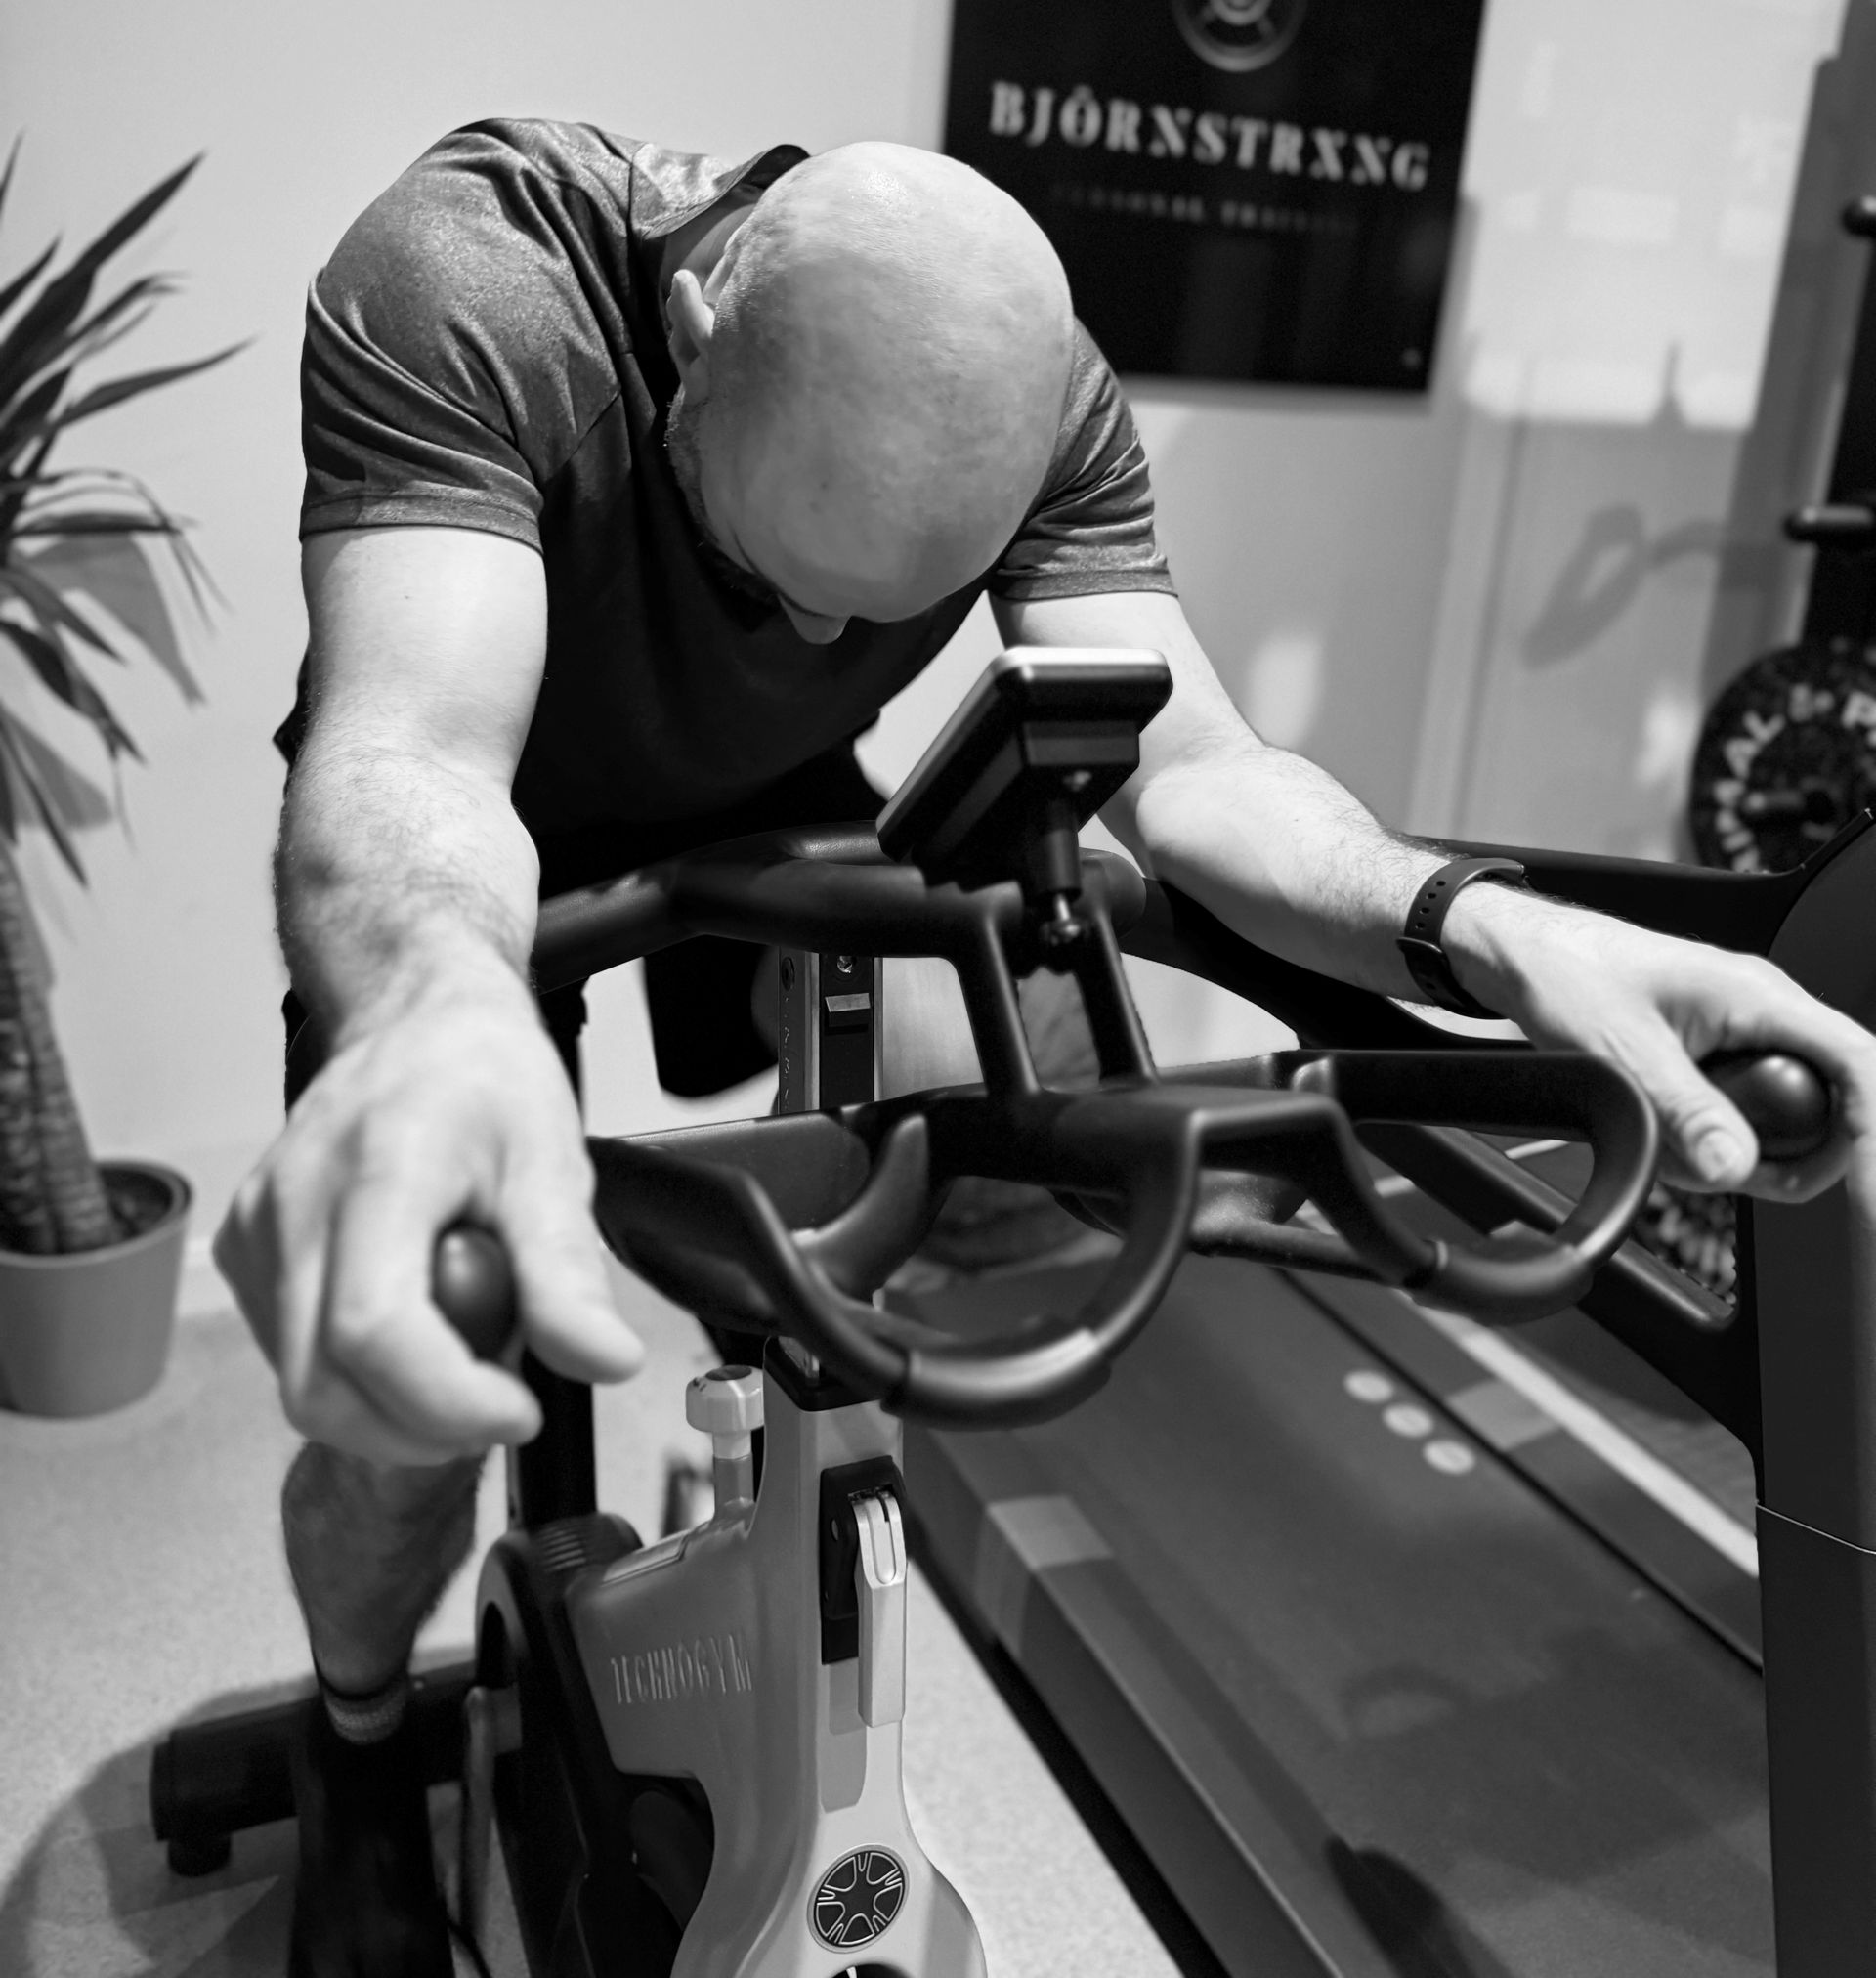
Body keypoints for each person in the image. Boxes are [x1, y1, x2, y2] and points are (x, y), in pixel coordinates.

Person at [218, 121, 1876, 1975]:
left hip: (767, 814)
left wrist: (1474, 922)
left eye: (889, 599)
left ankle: (700, 1618)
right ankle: (358, 1739)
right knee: (411, 1392)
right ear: (694, 321)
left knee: (957, 1138)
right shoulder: (474, 284)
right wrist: (446, 1017)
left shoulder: (1036, 380)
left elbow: (1204, 776)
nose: (844, 629)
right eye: (799, 575)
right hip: (477, 807)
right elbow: (418, 756)